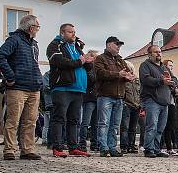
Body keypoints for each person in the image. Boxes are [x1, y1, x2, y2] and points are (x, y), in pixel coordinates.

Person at [0, 14, 44, 161]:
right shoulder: (14, 40)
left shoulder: (34, 44)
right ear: (31, 27)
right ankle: (9, 149)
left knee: (30, 120)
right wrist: (10, 76)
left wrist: (39, 79)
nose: (38, 29)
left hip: (33, 86)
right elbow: (0, 57)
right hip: (18, 87)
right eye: (37, 27)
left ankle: (27, 149)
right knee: (13, 120)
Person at [46, 23, 95, 158]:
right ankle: (57, 147)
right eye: (70, 32)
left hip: (78, 89)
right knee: (59, 118)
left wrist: (88, 61)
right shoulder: (55, 45)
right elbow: (59, 62)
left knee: (74, 120)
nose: (74, 34)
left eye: (74, 32)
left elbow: (86, 65)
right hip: (62, 87)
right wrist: (81, 62)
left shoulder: (77, 47)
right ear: (62, 33)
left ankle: (73, 147)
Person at [94, 36, 132, 157]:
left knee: (115, 124)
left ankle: (112, 147)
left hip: (119, 96)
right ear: (109, 45)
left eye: (120, 45)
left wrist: (127, 78)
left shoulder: (121, 60)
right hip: (105, 95)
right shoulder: (100, 58)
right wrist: (118, 75)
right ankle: (103, 147)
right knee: (104, 123)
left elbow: (123, 75)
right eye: (117, 44)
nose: (119, 47)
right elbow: (100, 73)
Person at [139, 45, 174, 158]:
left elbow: (173, 79)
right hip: (151, 99)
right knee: (152, 126)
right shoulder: (145, 65)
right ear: (149, 54)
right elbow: (145, 80)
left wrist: (174, 86)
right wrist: (161, 81)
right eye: (156, 52)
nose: (159, 53)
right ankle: (148, 149)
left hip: (165, 100)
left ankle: (156, 148)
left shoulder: (164, 67)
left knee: (160, 128)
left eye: (160, 52)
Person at [79, 49, 99, 152]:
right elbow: (91, 79)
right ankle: (82, 143)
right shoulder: (86, 68)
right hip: (89, 98)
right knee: (85, 122)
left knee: (95, 123)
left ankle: (94, 143)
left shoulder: (96, 68)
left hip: (97, 97)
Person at [121, 62, 141, 153]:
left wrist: (140, 104)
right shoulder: (123, 79)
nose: (130, 70)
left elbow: (140, 92)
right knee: (125, 127)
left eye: (131, 68)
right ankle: (124, 146)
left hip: (136, 106)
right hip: (126, 105)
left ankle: (131, 145)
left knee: (133, 128)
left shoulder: (137, 80)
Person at [161, 59, 178, 156]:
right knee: (163, 126)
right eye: (169, 65)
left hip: (172, 102)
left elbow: (175, 84)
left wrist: (176, 91)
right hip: (164, 102)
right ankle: (161, 147)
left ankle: (169, 147)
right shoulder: (163, 74)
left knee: (170, 126)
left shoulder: (173, 76)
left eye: (172, 65)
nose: (171, 67)